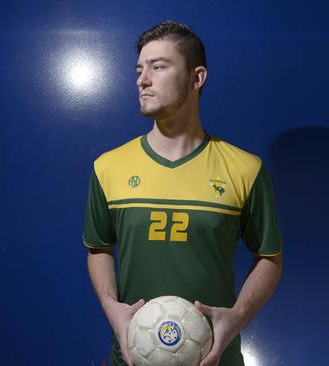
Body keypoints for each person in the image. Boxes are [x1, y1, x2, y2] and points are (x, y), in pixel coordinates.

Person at [83, 20, 283, 366]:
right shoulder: (108, 167)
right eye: (139, 69)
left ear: (196, 77)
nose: (142, 80)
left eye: (158, 67)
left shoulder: (245, 169)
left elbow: (270, 258)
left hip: (214, 359)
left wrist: (239, 314)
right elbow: (98, 248)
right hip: (132, 358)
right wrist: (110, 307)